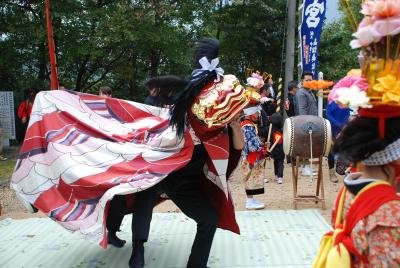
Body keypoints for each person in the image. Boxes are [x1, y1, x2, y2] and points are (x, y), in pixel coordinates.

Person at [127, 38, 247, 268]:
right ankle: (137, 249)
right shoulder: (181, 112)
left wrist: (233, 124)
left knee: (209, 219)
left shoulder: (223, 121)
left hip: (187, 181)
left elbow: (237, 149)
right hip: (164, 168)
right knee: (142, 196)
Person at [240, 106, 266, 210]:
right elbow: (252, 143)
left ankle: (251, 199)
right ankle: (249, 201)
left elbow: (254, 140)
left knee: (251, 177)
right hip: (250, 155)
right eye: (256, 113)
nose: (258, 115)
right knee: (250, 177)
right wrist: (261, 147)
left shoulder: (249, 124)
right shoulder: (247, 126)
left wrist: (262, 144)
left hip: (250, 154)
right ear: (250, 114)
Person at [326, 101, 350, 183]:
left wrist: (344, 126)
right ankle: (331, 173)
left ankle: (346, 171)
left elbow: (347, 113)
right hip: (332, 129)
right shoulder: (330, 101)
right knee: (331, 151)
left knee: (346, 150)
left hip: (344, 129)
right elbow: (328, 115)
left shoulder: (346, 100)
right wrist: (339, 125)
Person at [269, 113, 285, 184]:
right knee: (280, 162)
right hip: (282, 149)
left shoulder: (271, 129)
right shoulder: (284, 130)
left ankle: (276, 175)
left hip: (274, 149)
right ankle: (280, 177)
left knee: (275, 161)